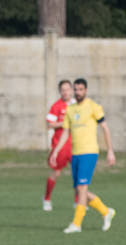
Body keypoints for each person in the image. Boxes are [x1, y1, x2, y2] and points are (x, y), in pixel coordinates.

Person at [49, 78, 116, 233]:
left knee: (82, 188)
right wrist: (56, 151)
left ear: (85, 90)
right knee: (79, 191)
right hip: (76, 154)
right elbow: (65, 132)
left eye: (81, 90)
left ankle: (76, 224)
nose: (78, 92)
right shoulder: (70, 110)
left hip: (89, 152)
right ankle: (106, 211)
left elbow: (105, 128)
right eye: (76, 90)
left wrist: (110, 151)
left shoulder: (93, 106)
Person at [42, 80, 74, 212]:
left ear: (71, 90)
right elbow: (49, 124)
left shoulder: (77, 105)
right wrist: (65, 123)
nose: (66, 92)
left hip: (75, 144)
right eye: (63, 90)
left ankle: (78, 201)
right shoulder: (56, 106)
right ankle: (47, 199)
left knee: (78, 173)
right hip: (59, 144)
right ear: (60, 91)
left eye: (68, 89)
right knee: (56, 172)